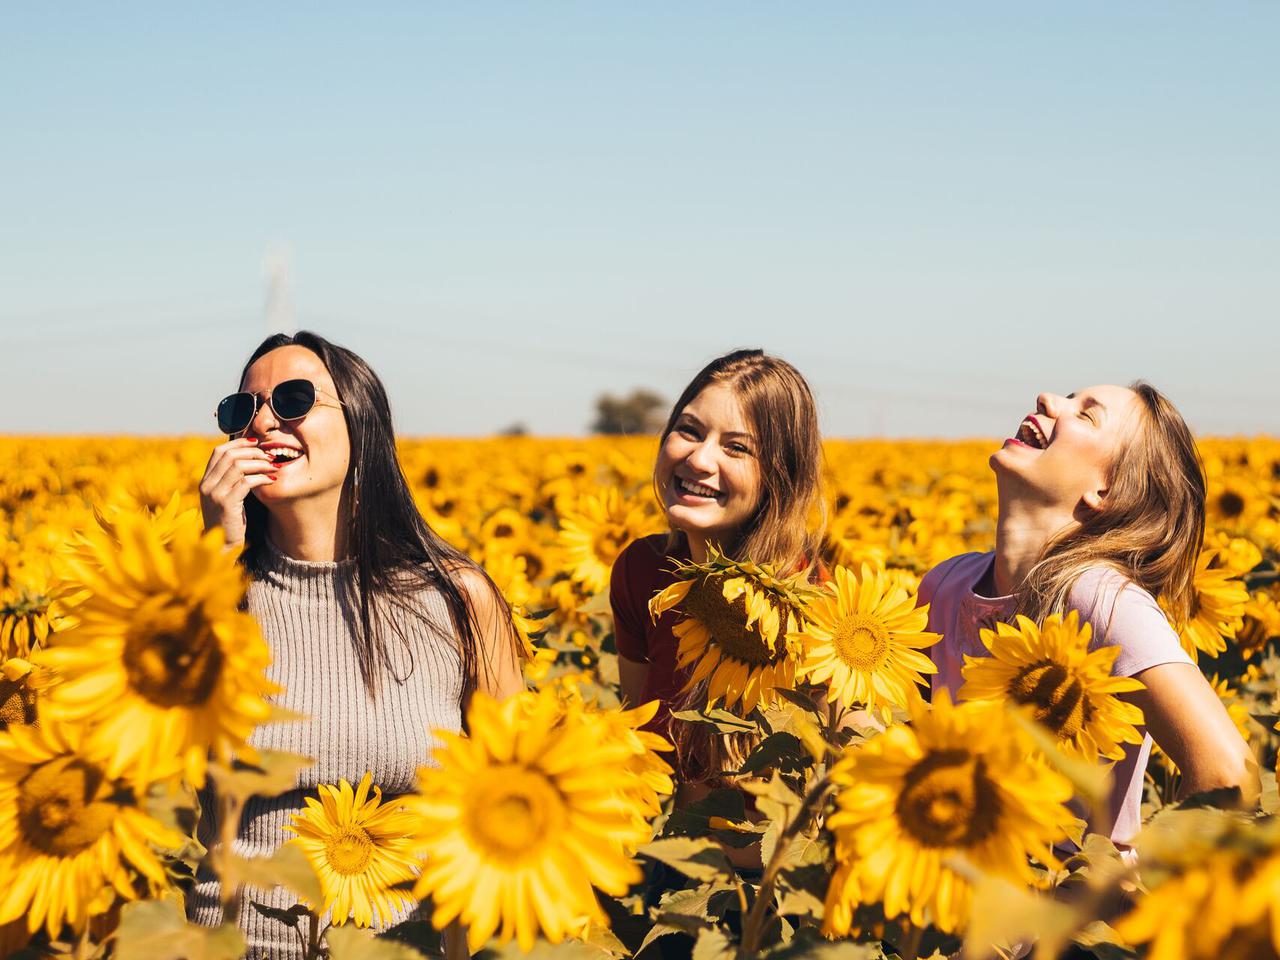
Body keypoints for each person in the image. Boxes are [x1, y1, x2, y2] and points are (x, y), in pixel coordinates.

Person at [190, 331, 522, 957]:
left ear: (363, 421)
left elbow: (515, 796)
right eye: (243, 409)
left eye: (292, 400)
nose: (262, 422)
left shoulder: (457, 599)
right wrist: (216, 559)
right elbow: (156, 774)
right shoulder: (202, 597)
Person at [919, 383, 1257, 847]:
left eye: (1085, 415)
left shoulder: (1099, 599)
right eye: (1068, 397)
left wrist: (1138, 891)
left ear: (1107, 491)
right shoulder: (945, 584)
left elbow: (1226, 771)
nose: (1047, 400)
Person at [610, 348, 825, 789]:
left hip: (775, 856)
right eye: (688, 431)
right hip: (663, 850)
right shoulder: (643, 571)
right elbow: (637, 738)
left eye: (737, 447)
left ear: (779, 476)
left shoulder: (817, 603)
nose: (700, 460)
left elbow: (832, 769)